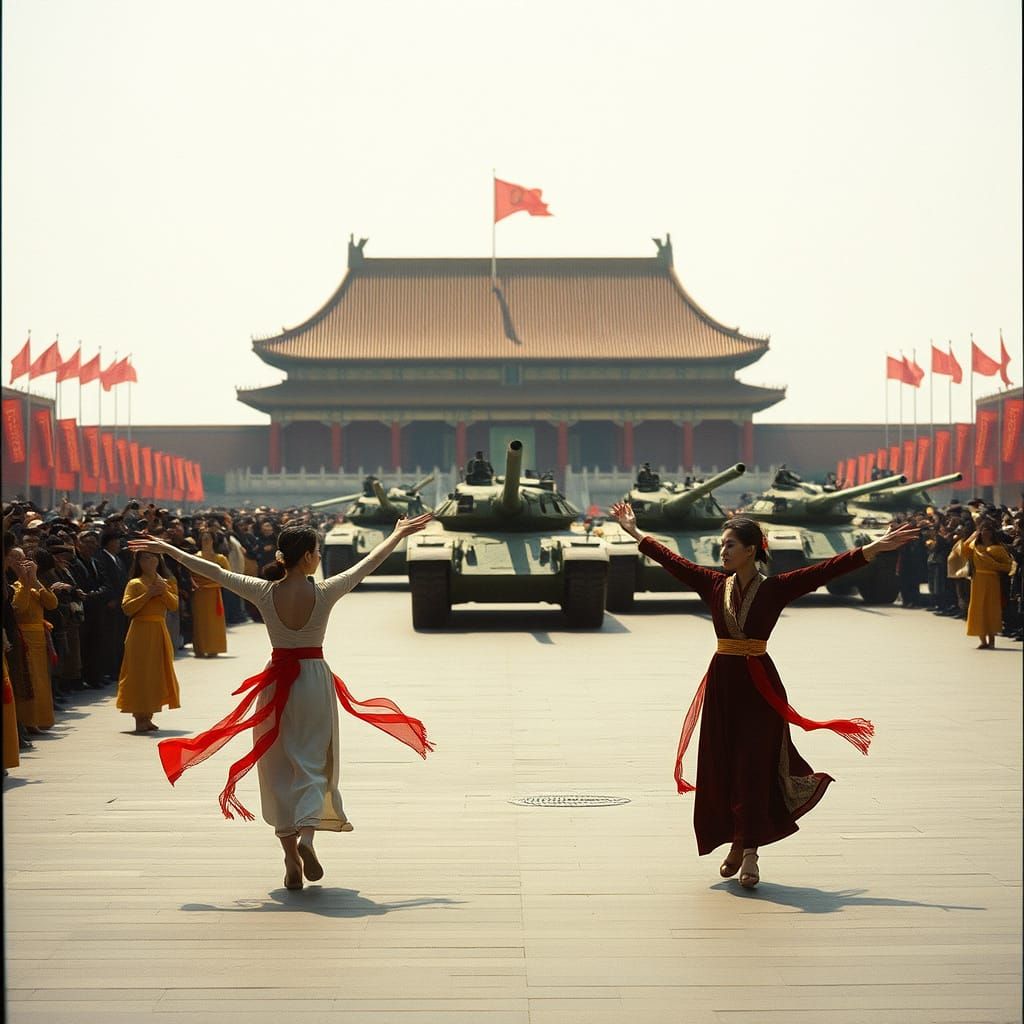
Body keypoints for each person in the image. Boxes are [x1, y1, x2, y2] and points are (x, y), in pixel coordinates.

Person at [607, 502, 918, 889]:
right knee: (724, 766)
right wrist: (635, 532)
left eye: (730, 545)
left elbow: (827, 569)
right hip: (723, 686)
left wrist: (873, 548)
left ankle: (750, 851)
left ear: (752, 549)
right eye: (722, 545)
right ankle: (737, 842)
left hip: (759, 687)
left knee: (754, 768)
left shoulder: (775, 588)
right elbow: (674, 561)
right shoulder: (713, 584)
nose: (722, 552)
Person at [127, 511, 435, 891]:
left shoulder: (263, 591)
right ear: (307, 556)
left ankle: (290, 857)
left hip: (275, 685)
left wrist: (166, 548)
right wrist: (397, 534)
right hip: (313, 682)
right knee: (312, 762)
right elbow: (367, 564)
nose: (320, 556)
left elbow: (214, 572)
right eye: (317, 551)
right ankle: (307, 838)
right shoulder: (324, 591)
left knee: (277, 766)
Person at [116, 550, 180, 734]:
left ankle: (149, 715)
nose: (150, 561)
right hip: (140, 631)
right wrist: (148, 594)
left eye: (153, 557)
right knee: (139, 674)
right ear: (139, 562)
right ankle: (139, 717)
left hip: (159, 630)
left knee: (156, 673)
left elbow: (174, 605)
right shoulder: (135, 583)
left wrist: (162, 592)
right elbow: (127, 608)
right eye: (145, 558)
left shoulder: (166, 582)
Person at [8, 547, 57, 735]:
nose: (22, 564)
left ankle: (40, 719)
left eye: (24, 560)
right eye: (16, 559)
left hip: (39, 638)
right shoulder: (15, 587)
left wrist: (35, 580)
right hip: (24, 637)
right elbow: (18, 609)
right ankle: (27, 721)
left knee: (41, 680)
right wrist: (25, 584)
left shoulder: (36, 584)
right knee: (27, 680)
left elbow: (52, 604)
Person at [963, 518, 1013, 650]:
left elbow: (1008, 565)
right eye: (983, 530)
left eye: (988, 530)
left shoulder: (998, 548)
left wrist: (994, 565)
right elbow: (964, 549)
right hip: (978, 579)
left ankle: (992, 640)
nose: (986, 533)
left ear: (992, 533)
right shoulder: (975, 546)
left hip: (992, 580)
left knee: (991, 608)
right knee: (978, 608)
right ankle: (982, 640)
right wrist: (974, 534)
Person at [190, 530, 229, 657]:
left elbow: (228, 576)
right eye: (203, 539)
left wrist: (212, 584)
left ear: (213, 541)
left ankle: (214, 648)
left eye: (208, 539)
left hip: (214, 592)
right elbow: (189, 574)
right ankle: (200, 649)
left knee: (214, 622)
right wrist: (194, 584)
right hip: (199, 592)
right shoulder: (195, 557)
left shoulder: (220, 558)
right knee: (200, 621)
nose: (206, 541)